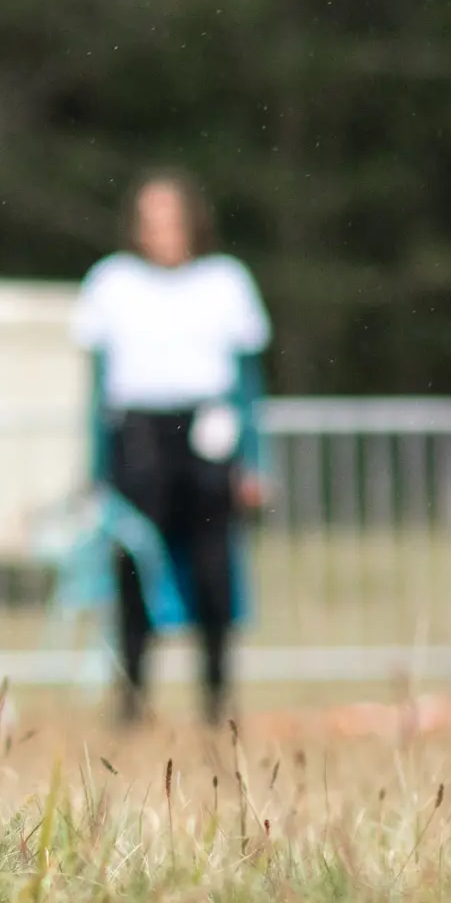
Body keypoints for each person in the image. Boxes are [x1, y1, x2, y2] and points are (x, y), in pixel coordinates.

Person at [71, 171, 270, 725]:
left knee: (212, 571)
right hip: (137, 438)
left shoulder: (226, 282)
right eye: (150, 220)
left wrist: (255, 460)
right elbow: (95, 388)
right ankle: (132, 704)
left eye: (171, 219)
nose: (161, 232)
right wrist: (95, 468)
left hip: (207, 434)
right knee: (133, 572)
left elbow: (249, 385)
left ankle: (216, 701)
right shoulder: (111, 283)